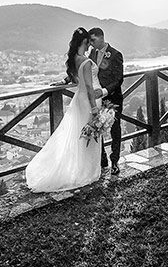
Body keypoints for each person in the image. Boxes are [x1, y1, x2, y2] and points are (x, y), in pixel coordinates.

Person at [25, 27, 105, 192]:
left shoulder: (74, 59)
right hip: (89, 100)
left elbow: (75, 79)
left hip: (79, 100)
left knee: (80, 134)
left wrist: (63, 82)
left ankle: (80, 169)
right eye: (89, 41)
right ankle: (87, 171)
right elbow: (89, 87)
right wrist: (94, 108)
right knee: (89, 134)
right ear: (85, 42)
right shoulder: (86, 61)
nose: (90, 44)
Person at [87, 27, 124, 175]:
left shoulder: (115, 54)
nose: (91, 43)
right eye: (89, 41)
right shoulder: (92, 53)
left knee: (115, 129)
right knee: (97, 127)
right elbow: (85, 70)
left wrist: (104, 91)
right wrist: (66, 80)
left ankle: (115, 161)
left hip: (113, 98)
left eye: (93, 40)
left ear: (101, 37)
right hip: (97, 100)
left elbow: (118, 79)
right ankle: (102, 159)